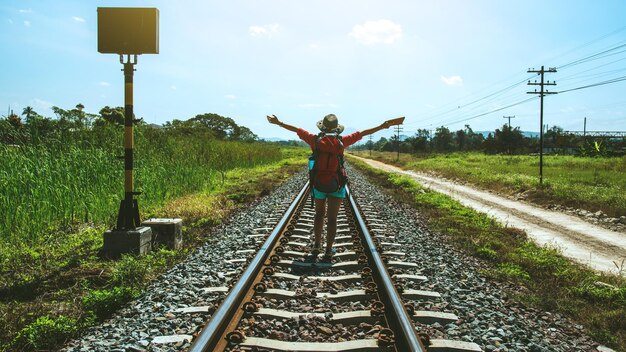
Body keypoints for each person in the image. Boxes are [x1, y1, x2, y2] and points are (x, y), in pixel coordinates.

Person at [267, 113, 403, 260]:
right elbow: (364, 133)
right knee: (332, 218)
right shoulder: (342, 141)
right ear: (337, 128)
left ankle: (317, 245)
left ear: (323, 127)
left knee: (319, 214)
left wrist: (278, 122)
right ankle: (328, 250)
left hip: (318, 184)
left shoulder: (314, 140)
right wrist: (383, 126)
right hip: (337, 184)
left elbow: (296, 130)